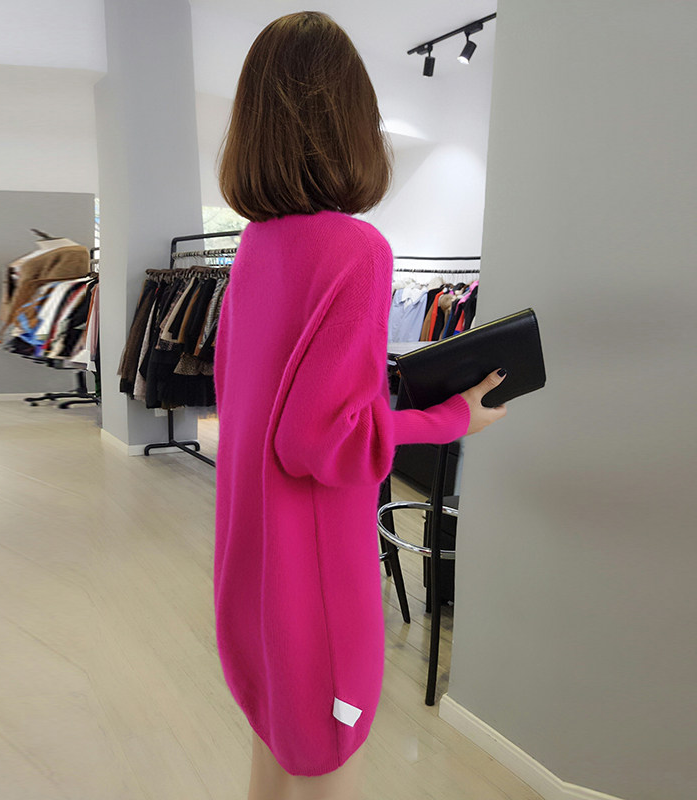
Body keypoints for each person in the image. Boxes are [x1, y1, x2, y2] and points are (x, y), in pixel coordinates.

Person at [212, 11, 507, 800]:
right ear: (351, 121)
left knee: (274, 749)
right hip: (313, 575)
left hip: (251, 564)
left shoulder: (255, 248)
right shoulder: (356, 251)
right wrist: (453, 417)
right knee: (327, 764)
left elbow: (245, 408)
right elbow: (321, 441)